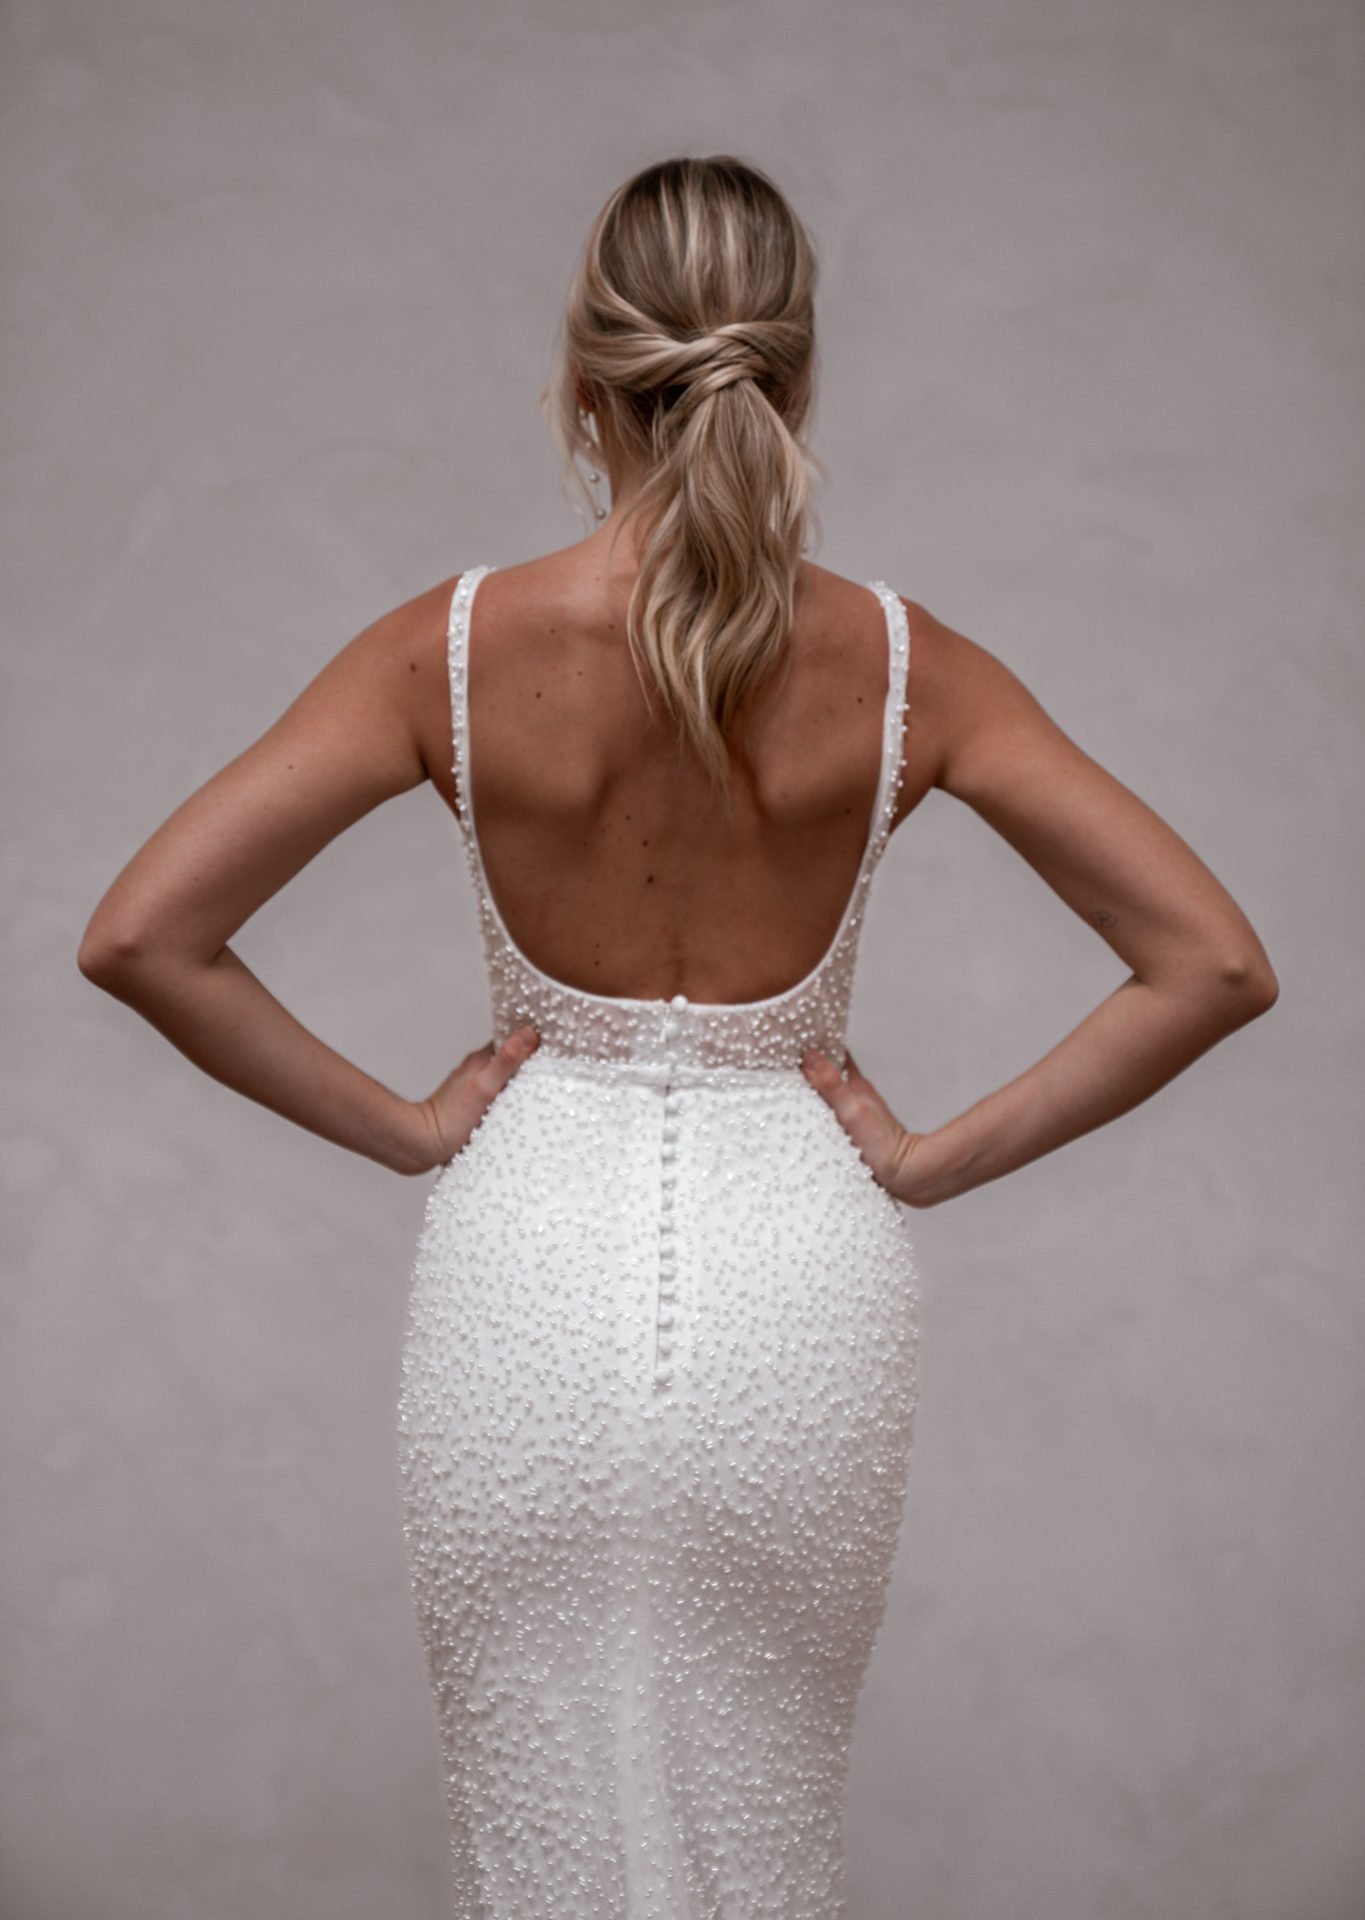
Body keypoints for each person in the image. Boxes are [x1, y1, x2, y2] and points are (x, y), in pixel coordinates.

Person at [78, 153, 1278, 1918]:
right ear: (795, 376)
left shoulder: (452, 649)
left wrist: (409, 1127)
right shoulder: (904, 665)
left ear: (584, 377)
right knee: (759, 1825)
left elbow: (140, 934)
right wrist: (930, 1159)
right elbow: (1213, 964)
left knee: (542, 1836)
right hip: (801, 1278)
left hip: (524, 1268)